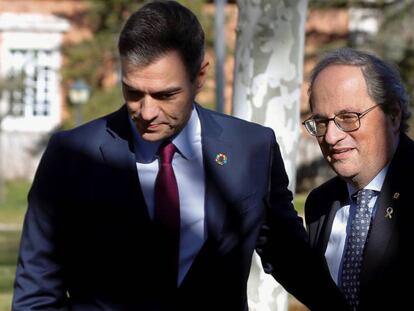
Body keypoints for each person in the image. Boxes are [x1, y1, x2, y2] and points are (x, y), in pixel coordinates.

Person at [13, 1, 347, 310]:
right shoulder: (71, 155)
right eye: (133, 92)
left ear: (199, 76)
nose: (146, 111)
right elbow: (37, 291)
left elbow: (291, 256)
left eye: (165, 94)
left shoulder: (252, 149)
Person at [303, 47, 413, 311]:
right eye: (320, 122)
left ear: (394, 116)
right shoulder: (319, 204)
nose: (331, 137)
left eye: (348, 118)